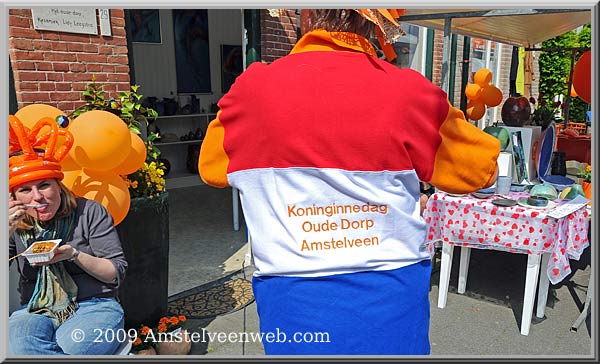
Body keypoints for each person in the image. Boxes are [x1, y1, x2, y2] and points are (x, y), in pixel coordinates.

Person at [199, 9, 500, 355]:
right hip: (390, 299)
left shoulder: (252, 91)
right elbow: (480, 169)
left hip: (293, 300)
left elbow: (211, 168)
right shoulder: (408, 92)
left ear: (307, 14)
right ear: (376, 23)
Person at [8, 115, 128, 355]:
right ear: (14, 197)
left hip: (95, 304)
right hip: (35, 308)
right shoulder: (14, 222)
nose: (37, 197)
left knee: (74, 349)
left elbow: (116, 272)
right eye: (25, 190)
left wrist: (73, 254)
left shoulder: (89, 211)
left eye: (44, 185)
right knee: (18, 347)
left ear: (58, 187)